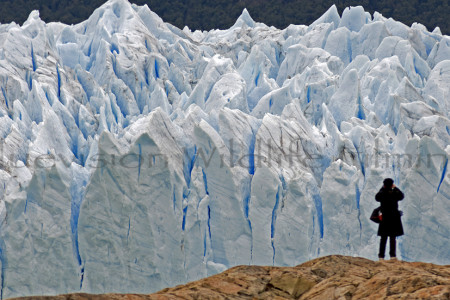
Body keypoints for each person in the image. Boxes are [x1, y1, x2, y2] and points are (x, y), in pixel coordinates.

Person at [375, 178, 404, 260]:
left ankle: (381, 256)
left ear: (384, 184)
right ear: (392, 184)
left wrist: (382, 188)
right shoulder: (394, 192)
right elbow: (401, 196)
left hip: (384, 218)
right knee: (392, 238)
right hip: (394, 217)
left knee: (383, 238)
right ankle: (393, 256)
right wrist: (395, 188)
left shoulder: (382, 192)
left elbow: (377, 198)